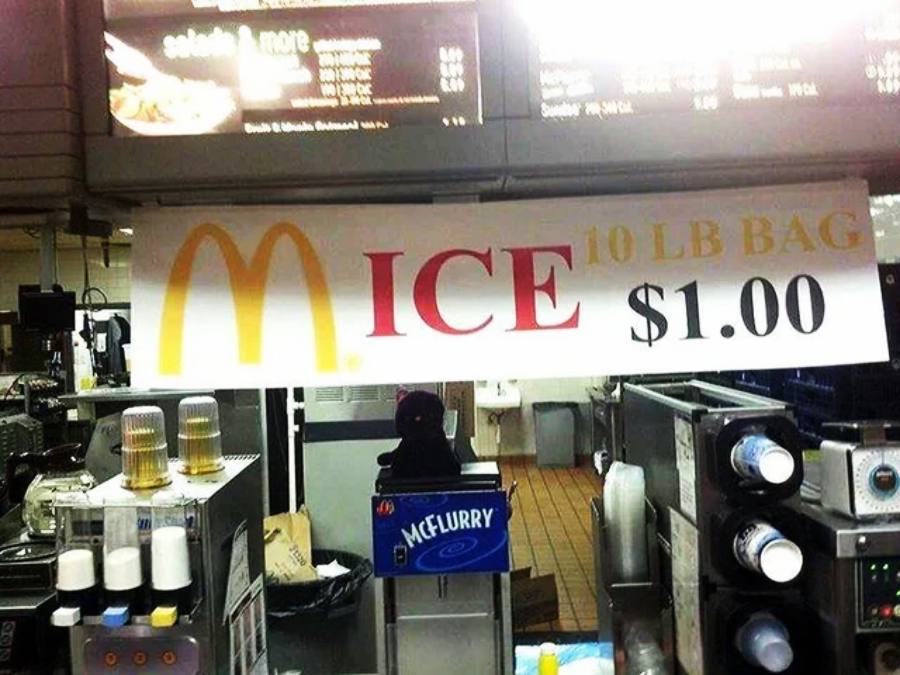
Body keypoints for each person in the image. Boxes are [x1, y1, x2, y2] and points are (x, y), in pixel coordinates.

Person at [377, 390, 462, 478]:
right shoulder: (441, 443)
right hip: (440, 483)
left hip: (407, 482)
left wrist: (390, 457)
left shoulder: (406, 447)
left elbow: (395, 467)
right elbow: (454, 468)